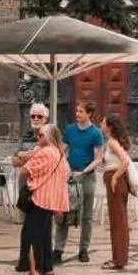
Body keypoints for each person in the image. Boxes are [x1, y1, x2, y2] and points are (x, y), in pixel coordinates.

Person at [14, 123, 69, 275]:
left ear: (50, 137)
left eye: (41, 135)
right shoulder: (59, 154)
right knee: (45, 237)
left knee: (33, 236)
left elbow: (24, 170)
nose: (38, 137)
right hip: (51, 200)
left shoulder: (45, 153)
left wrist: (26, 157)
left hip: (39, 198)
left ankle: (34, 272)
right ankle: (47, 271)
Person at [57, 100, 106, 263]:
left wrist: (84, 170)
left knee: (86, 215)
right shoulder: (70, 130)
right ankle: (58, 248)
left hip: (87, 177)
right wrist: (66, 167)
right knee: (64, 211)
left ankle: (83, 249)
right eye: (76, 111)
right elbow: (61, 151)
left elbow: (98, 158)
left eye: (81, 111)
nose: (77, 114)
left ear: (89, 114)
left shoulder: (96, 133)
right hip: (70, 176)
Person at [100, 114, 136, 270]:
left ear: (109, 127)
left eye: (103, 123)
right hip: (113, 179)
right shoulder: (109, 142)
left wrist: (115, 177)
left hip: (116, 181)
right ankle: (117, 257)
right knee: (116, 220)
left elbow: (125, 161)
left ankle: (119, 259)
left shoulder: (113, 143)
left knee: (119, 220)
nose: (100, 125)